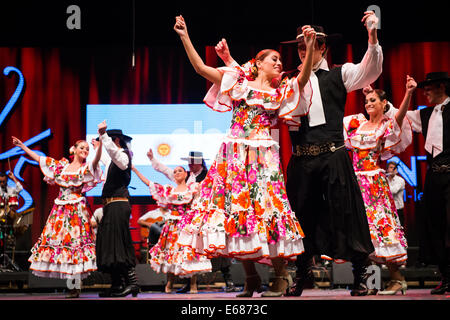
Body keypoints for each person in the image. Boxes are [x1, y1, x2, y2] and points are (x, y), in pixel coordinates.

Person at [217, 11, 383, 296]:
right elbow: (251, 85)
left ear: (322, 47)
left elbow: (371, 69)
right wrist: (230, 62)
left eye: (310, 44)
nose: (304, 49)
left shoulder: (339, 73)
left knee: (346, 213)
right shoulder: (286, 80)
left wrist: (372, 36)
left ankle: (360, 278)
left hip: (334, 154)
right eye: (300, 46)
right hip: (302, 158)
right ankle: (302, 275)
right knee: (300, 216)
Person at [173, 15, 316, 297]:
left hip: (263, 157)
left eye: (280, 61)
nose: (279, 63)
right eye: (273, 59)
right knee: (236, 213)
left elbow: (304, 76)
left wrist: (310, 47)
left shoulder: (279, 90)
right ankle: (250, 278)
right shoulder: (238, 83)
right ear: (258, 63)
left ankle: (279, 277)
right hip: (234, 157)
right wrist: (184, 36)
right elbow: (201, 68)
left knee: (266, 209)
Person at [344, 75, 416, 295]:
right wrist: (370, 92)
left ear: (384, 104)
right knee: (362, 233)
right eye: (367, 101)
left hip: (374, 183)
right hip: (356, 182)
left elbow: (399, 119)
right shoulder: (356, 124)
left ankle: (396, 279)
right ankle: (370, 282)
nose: (368, 105)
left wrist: (409, 93)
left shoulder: (384, 126)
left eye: (373, 101)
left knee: (381, 229)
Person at [11, 136, 102, 298]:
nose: (85, 151)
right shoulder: (61, 167)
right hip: (60, 211)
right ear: (73, 150)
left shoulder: (85, 168)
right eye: (82, 147)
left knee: (75, 247)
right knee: (60, 246)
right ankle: (71, 287)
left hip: (76, 212)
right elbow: (40, 159)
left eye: (87, 149)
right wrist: (22, 146)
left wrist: (100, 145)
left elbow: (96, 161)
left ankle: (75, 287)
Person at [147, 149, 239, 292]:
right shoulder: (186, 176)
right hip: (190, 218)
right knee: (189, 249)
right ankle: (189, 283)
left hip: (206, 213)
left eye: (192, 162)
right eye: (188, 162)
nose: (189, 165)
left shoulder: (207, 176)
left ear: (199, 162)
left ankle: (229, 280)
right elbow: (166, 171)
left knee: (214, 245)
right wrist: (153, 159)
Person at [132, 161, 211, 293]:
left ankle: (193, 284)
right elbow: (149, 183)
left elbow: (208, 183)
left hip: (187, 225)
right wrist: (135, 170)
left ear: (186, 174)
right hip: (173, 227)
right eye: (174, 172)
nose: (177, 173)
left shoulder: (192, 188)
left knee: (189, 253)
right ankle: (169, 284)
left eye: (180, 170)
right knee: (171, 253)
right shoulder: (169, 190)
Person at [405, 71, 450, 294]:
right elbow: (398, 114)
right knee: (436, 225)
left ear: (442, 86)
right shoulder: (426, 114)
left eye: (429, 87)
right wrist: (408, 93)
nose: (426, 92)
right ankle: (446, 275)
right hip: (433, 175)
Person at [95, 121, 140, 298]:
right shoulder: (114, 159)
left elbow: (113, 154)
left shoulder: (123, 156)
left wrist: (103, 135)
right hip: (110, 205)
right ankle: (117, 283)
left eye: (109, 141)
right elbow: (106, 157)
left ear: (117, 141)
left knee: (118, 243)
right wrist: (98, 144)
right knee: (109, 245)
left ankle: (132, 283)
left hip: (118, 204)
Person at [386, 161, 406, 227]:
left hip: (398, 210)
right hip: (388, 210)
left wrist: (385, 182)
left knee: (399, 231)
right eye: (391, 168)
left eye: (395, 168)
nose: (393, 169)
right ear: (387, 169)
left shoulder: (400, 180)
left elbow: (393, 191)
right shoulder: (384, 179)